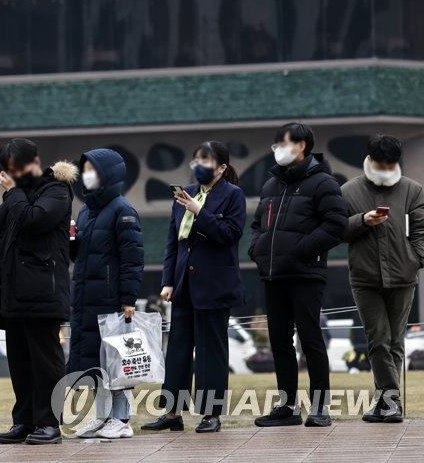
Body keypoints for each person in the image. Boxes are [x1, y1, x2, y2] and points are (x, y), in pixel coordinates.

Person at [142, 142, 246, 434]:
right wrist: (167, 280)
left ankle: (211, 414)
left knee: (211, 349)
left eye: (207, 160)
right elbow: (174, 241)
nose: (200, 164)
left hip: (215, 284)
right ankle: (172, 413)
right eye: (197, 159)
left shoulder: (233, 195)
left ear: (222, 167)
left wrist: (200, 211)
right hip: (184, 284)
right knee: (178, 347)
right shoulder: (185, 192)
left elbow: (230, 235)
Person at [248, 122, 346, 427]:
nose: (278, 149)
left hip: (306, 273)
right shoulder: (270, 185)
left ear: (302, 145)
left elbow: (336, 225)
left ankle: (320, 408)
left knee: (310, 338)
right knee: (279, 341)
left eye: (284, 143)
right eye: (276, 144)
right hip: (273, 275)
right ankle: (287, 407)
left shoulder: (323, 183)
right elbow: (256, 227)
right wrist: (257, 250)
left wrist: (303, 248)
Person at [0, 138, 76, 446]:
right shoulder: (16, 198)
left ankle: (49, 423)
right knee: (20, 361)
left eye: (15, 170)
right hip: (15, 293)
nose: (10, 177)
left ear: (33, 163)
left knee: (46, 360)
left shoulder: (56, 191)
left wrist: (12, 192)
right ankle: (25, 419)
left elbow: (35, 220)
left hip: (42, 293)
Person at [341, 134, 424, 423]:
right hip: (365, 277)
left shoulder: (413, 191)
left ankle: (383, 402)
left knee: (395, 341)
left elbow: (421, 230)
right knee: (378, 338)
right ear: (370, 159)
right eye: (381, 163)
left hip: (403, 276)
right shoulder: (348, 191)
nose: (386, 169)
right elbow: (338, 230)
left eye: (391, 164)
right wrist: (363, 221)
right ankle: (392, 401)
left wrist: (416, 260)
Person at [68, 148, 143, 441]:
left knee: (117, 363)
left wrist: (128, 298)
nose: (86, 175)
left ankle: (122, 419)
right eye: (84, 169)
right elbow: (82, 257)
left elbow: (132, 259)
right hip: (87, 299)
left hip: (112, 301)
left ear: (108, 174)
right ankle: (102, 418)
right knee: (96, 364)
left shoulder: (123, 211)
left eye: (92, 169)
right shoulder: (86, 210)